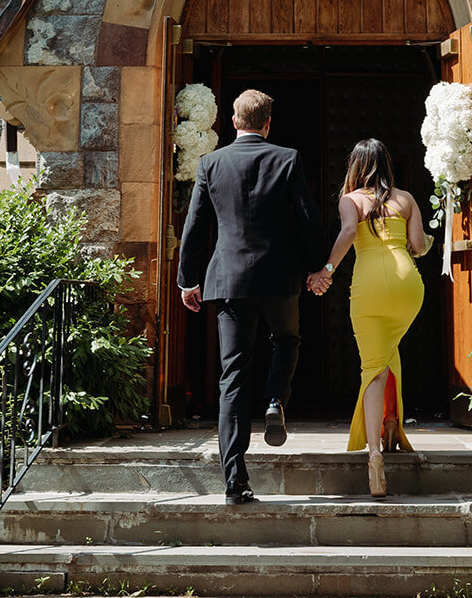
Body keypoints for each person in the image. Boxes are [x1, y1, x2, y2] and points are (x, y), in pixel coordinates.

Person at [177, 87, 329, 505]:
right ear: (267, 123)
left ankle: (234, 479)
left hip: (228, 281)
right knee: (287, 340)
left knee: (233, 375)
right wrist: (318, 267)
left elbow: (194, 226)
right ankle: (276, 398)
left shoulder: (210, 162)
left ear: (233, 121)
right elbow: (306, 218)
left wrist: (188, 279)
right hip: (279, 277)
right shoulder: (287, 158)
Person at [313, 138, 430, 497]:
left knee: (373, 367)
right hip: (408, 285)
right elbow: (417, 246)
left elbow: (349, 233)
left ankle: (375, 455)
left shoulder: (351, 200)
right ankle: (391, 422)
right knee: (389, 351)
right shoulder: (406, 199)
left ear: (355, 166)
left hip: (370, 287)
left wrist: (326, 271)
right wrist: (430, 236)